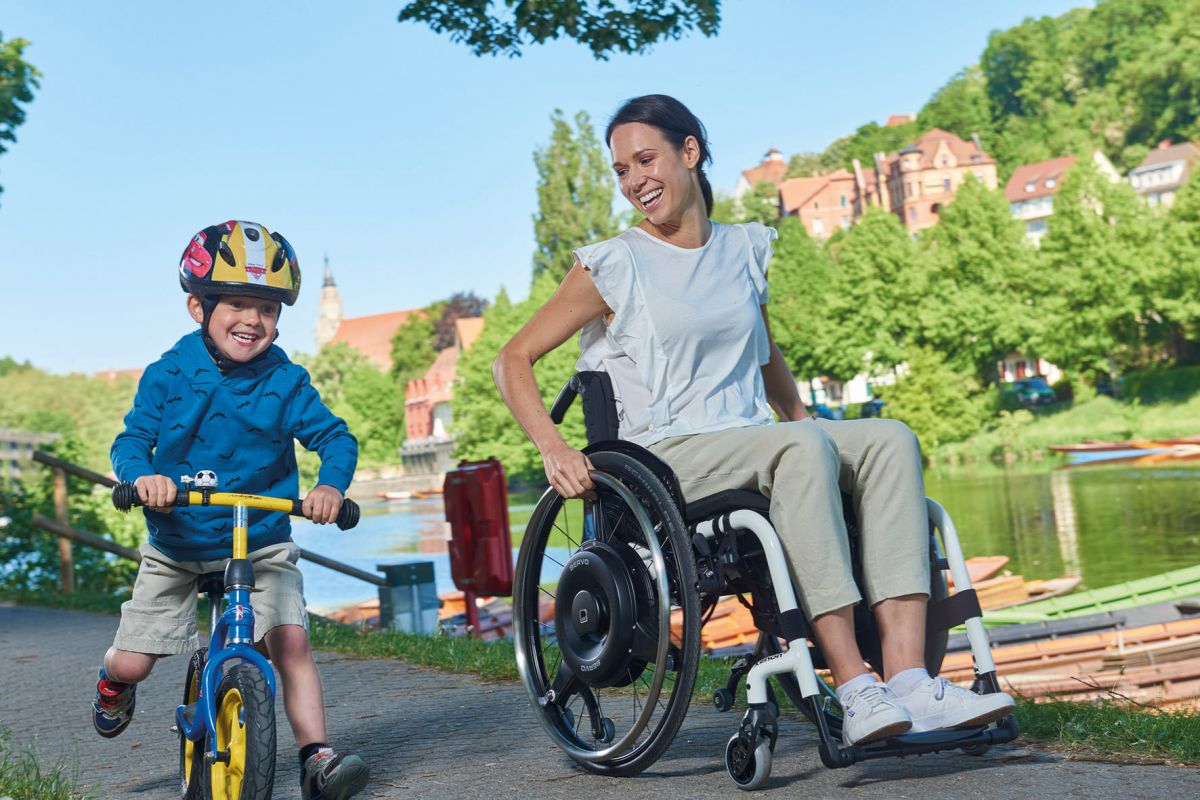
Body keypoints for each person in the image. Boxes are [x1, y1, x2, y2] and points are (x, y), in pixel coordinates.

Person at [493, 95, 1015, 748]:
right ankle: (855, 687)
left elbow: (767, 359)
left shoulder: (743, 248)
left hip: (752, 440)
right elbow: (512, 359)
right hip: (664, 454)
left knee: (888, 439)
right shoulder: (615, 263)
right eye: (622, 170)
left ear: (691, 153)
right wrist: (553, 447)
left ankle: (908, 680)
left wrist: (810, 425)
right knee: (798, 452)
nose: (634, 182)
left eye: (645, 160)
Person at [93, 220, 370, 800]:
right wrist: (142, 477)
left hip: (259, 538)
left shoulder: (286, 381)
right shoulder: (168, 375)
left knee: (291, 641)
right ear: (199, 306)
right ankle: (112, 681)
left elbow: (335, 438)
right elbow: (131, 441)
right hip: (179, 542)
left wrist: (331, 487)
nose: (253, 320)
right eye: (238, 304)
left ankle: (316, 757)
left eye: (267, 309)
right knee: (136, 663)